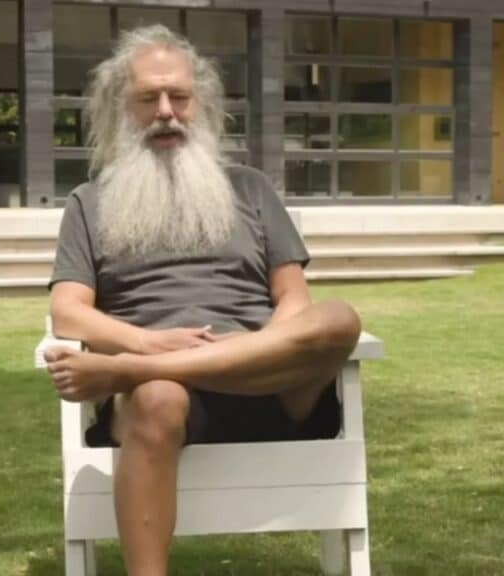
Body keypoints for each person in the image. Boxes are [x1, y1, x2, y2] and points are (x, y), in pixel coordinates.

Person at [43, 24, 362, 576]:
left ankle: (133, 373)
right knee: (157, 397)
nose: (166, 112)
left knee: (340, 319)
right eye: (148, 98)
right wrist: (145, 343)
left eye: (179, 97)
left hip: (268, 384)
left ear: (202, 104)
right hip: (160, 401)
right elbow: (68, 311)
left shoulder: (251, 189)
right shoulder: (88, 203)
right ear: (121, 108)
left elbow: (293, 300)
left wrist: (140, 363)